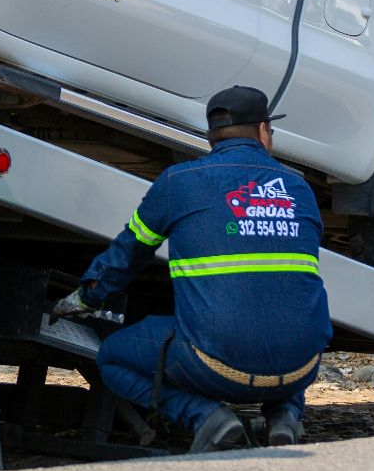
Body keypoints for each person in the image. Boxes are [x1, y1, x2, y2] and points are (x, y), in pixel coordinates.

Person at [52, 85, 332, 452]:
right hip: (303, 367)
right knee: (282, 323)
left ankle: (207, 417)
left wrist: (85, 297)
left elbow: (128, 255)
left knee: (113, 358)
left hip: (213, 367)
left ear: (211, 137)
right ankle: (285, 418)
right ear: (264, 131)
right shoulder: (299, 189)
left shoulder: (178, 183)